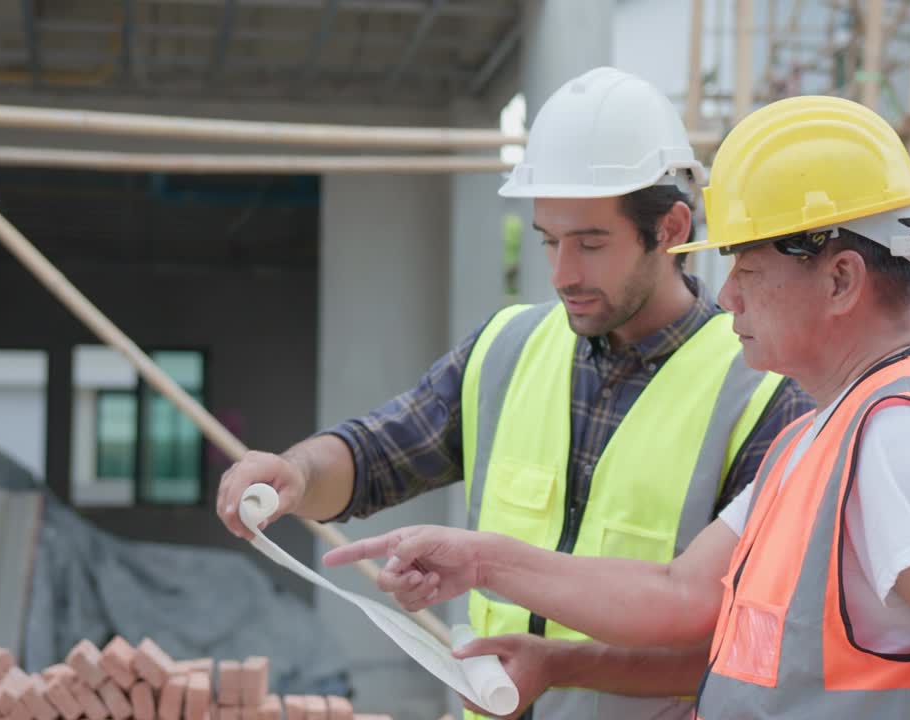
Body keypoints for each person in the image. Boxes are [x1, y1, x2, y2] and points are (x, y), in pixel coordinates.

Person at [325, 95, 910, 720]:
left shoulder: (902, 442)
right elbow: (679, 595)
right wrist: (487, 567)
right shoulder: (823, 438)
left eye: (748, 267)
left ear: (842, 280)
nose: (730, 296)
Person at [215, 66, 814, 720]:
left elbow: (749, 643)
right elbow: (376, 456)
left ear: (671, 229)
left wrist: (561, 665)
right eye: (549, 241)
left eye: (590, 244)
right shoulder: (506, 349)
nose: (562, 273)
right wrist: (297, 474)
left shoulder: (763, 393)